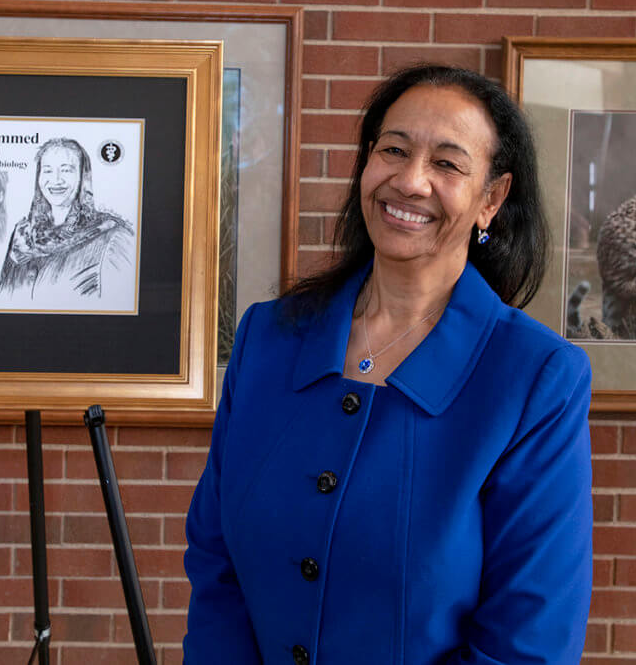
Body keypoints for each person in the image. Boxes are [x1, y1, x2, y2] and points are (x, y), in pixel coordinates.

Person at [183, 64, 593, 665]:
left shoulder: (535, 379)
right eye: (393, 150)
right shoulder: (268, 340)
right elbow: (216, 565)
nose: (410, 181)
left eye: (448, 164)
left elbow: (528, 641)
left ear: (491, 199)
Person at [0, 137, 134, 298]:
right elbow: (3, 296)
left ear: (83, 177)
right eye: (47, 170)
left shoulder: (113, 236)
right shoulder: (22, 235)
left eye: (66, 170)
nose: (56, 180)